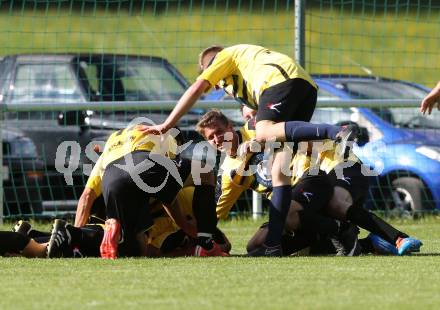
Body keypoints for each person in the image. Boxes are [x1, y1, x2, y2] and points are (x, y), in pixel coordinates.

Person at [141, 44, 358, 256]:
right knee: (278, 171)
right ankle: (276, 244)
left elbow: (196, 88)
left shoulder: (224, 57)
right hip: (305, 88)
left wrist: (165, 125)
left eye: (217, 80)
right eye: (211, 137)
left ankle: (335, 131)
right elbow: (218, 207)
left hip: (284, 84)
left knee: (264, 132)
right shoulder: (245, 70)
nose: (217, 86)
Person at [196, 109, 423, 256]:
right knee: (256, 245)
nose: (217, 139)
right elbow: (216, 209)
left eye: (219, 132)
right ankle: (362, 243)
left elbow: (295, 134)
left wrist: (260, 142)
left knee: (335, 203)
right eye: (210, 137)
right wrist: (198, 236)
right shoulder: (228, 170)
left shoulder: (258, 129)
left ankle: (396, 237)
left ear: (230, 126)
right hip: (298, 200)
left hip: (321, 175)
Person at [75, 122, 227, 259]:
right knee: (205, 171)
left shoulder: (113, 141)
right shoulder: (166, 135)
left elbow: (86, 196)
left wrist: (77, 233)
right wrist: (186, 227)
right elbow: (166, 189)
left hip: (111, 178)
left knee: (136, 249)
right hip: (142, 163)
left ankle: (100, 231)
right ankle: (206, 245)